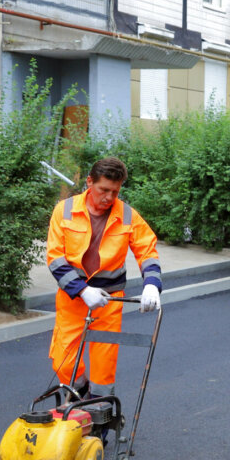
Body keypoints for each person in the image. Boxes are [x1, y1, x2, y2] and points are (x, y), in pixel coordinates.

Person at [46, 157, 162, 398]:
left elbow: (147, 251)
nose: (109, 197)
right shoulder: (64, 210)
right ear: (89, 182)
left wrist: (151, 284)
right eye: (104, 190)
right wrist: (81, 290)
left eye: (115, 192)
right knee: (63, 359)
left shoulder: (128, 215)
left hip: (110, 301)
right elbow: (55, 259)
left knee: (103, 365)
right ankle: (79, 393)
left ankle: (101, 412)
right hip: (73, 299)